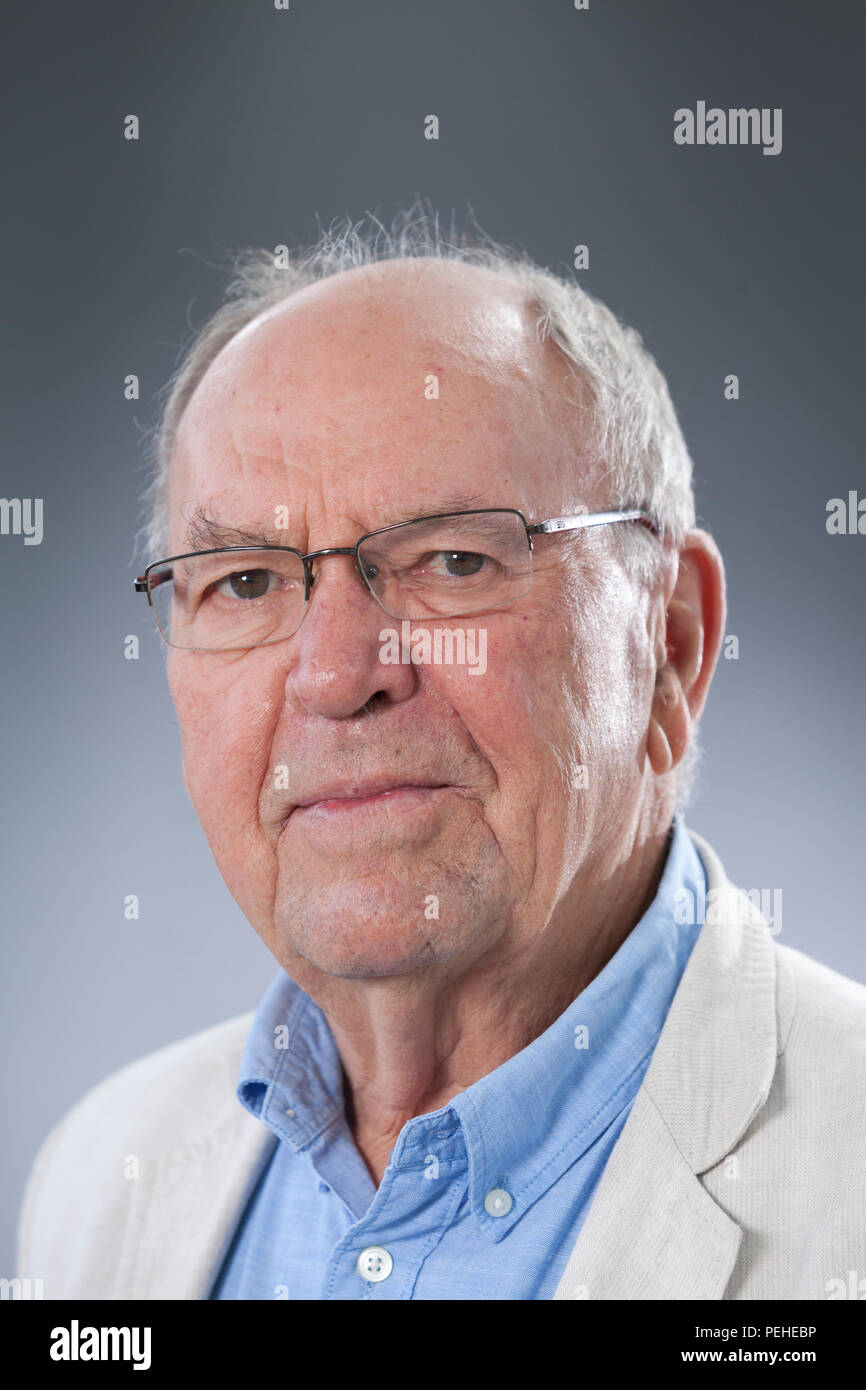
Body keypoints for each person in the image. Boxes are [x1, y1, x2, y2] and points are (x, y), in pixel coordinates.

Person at [17, 212, 866, 1300]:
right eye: (245, 581)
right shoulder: (100, 1182)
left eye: (453, 559)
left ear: (669, 642)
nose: (334, 674)